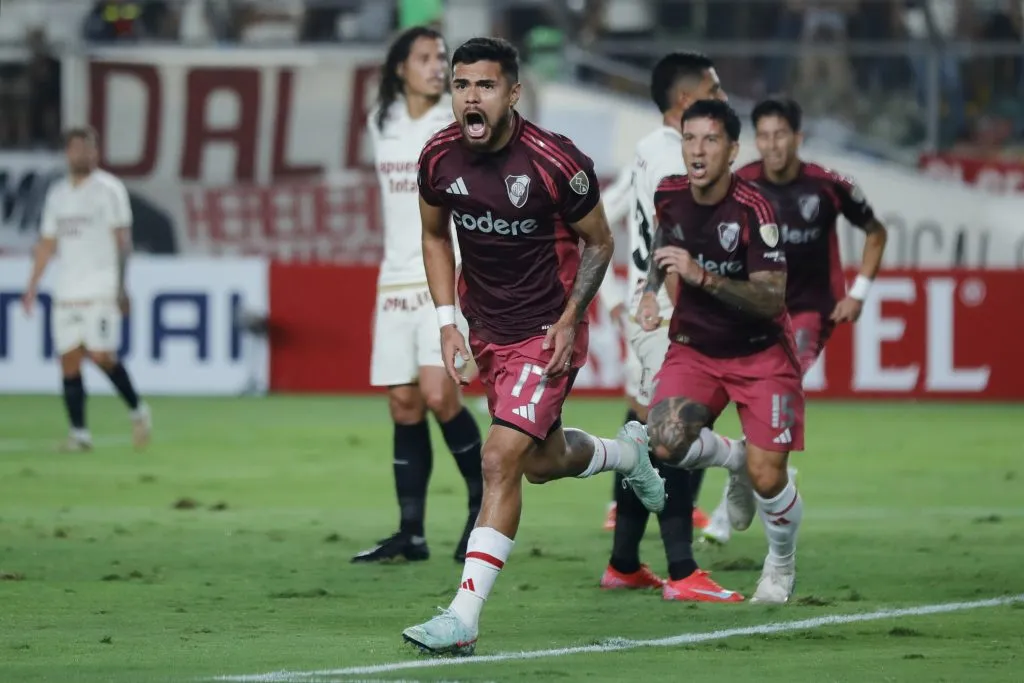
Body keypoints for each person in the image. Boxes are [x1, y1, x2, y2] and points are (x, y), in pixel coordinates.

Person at [404, 37, 666, 655]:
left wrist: (573, 318)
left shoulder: (555, 163)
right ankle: (626, 456)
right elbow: (435, 236)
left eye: (485, 86)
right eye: (462, 84)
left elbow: (599, 241)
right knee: (539, 463)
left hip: (546, 333)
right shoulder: (439, 157)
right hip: (486, 329)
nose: (470, 96)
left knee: (498, 459)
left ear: (512, 92)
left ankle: (463, 616)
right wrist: (448, 322)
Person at [638, 99, 805, 605]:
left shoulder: (756, 210)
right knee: (663, 441)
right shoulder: (668, 193)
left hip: (761, 355)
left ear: (733, 150)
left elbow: (771, 297)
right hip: (696, 350)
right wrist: (650, 290)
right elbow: (664, 242)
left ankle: (780, 562)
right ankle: (734, 459)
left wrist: (701, 276)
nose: (697, 150)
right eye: (690, 138)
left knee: (769, 476)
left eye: (710, 140)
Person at [701, 97, 888, 546]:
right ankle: (748, 468)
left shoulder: (828, 185)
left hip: (807, 311)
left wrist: (858, 294)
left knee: (776, 385)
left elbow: (876, 232)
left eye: (780, 135)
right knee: (746, 398)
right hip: (752, 310)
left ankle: (734, 499)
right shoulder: (740, 182)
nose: (772, 145)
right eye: (763, 136)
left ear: (797, 138)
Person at [596, 52, 741, 602]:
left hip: (646, 310)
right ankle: (682, 573)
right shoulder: (676, 163)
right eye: (713, 87)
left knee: (643, 432)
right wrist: (693, 322)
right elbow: (675, 247)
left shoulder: (648, 149)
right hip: (669, 317)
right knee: (674, 436)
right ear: (687, 102)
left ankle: (625, 563)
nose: (722, 96)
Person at [353, 26, 485, 565]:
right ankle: (411, 533)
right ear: (399, 67)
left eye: (441, 58)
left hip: (443, 275)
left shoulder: (455, 121)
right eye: (426, 58)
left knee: (439, 394)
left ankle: (484, 510)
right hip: (393, 279)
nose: (437, 67)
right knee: (403, 403)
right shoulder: (379, 121)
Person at [22, 126, 151, 452]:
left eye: (88, 148)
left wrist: (122, 287)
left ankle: (138, 410)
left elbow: (123, 241)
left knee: (101, 355)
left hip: (101, 288)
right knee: (68, 360)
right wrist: (32, 285)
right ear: (68, 153)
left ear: (96, 152)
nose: (83, 154)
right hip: (67, 290)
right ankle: (79, 434)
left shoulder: (109, 189)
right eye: (77, 148)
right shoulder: (57, 194)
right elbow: (47, 243)